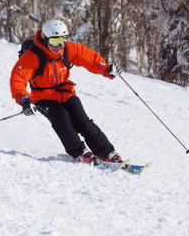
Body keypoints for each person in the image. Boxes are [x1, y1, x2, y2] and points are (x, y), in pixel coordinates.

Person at [10, 20, 123, 165]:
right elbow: (17, 79)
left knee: (83, 122)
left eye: (62, 40)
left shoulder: (68, 50)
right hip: (42, 98)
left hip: (65, 92)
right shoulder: (32, 57)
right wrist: (24, 99)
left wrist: (106, 69)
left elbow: (91, 60)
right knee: (61, 118)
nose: (60, 46)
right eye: (55, 41)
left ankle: (107, 152)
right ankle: (79, 151)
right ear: (45, 39)